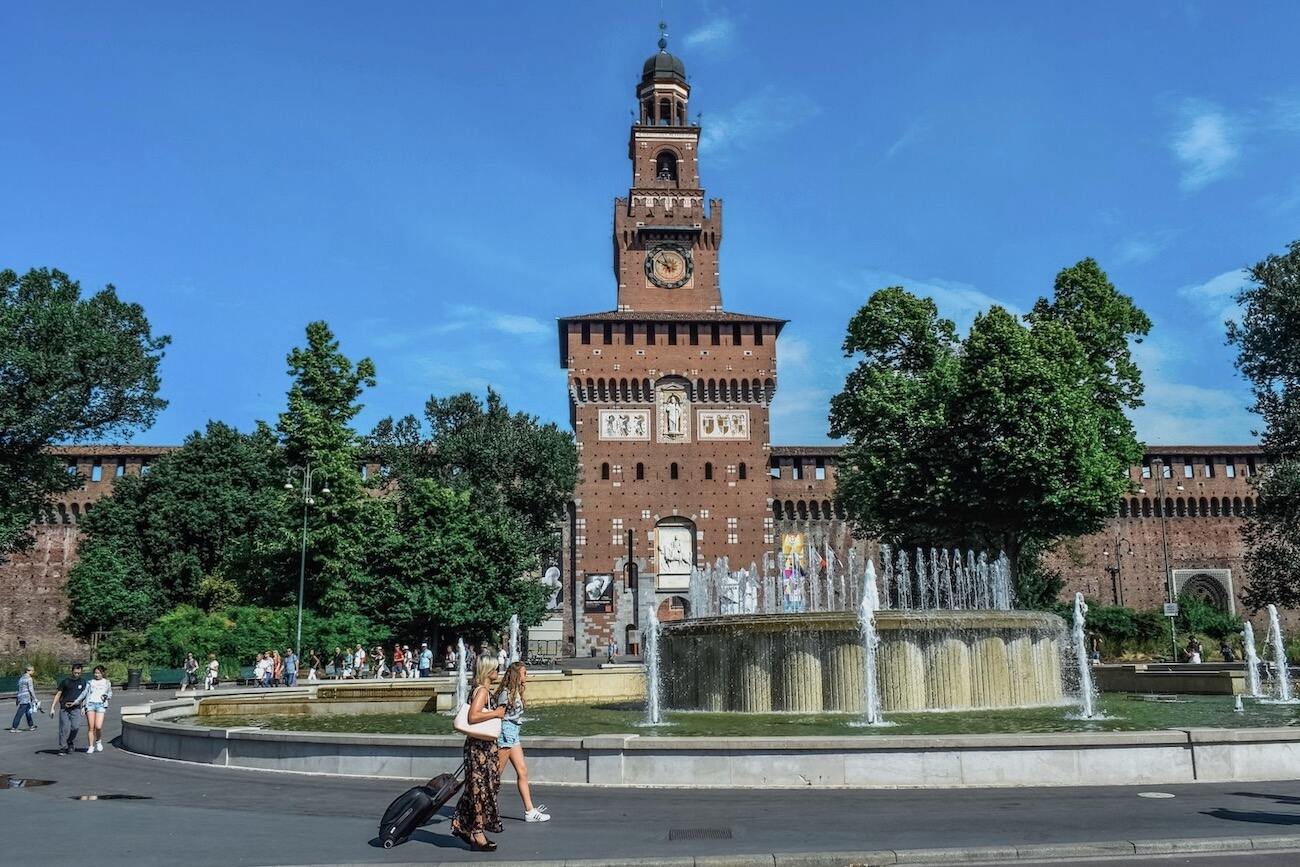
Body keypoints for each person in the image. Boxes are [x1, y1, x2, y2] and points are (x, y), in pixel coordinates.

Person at [450, 655, 506, 851]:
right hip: (479, 750)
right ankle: (477, 832)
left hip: (481, 748)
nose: (498, 672)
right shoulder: (482, 691)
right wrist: (496, 713)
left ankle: (465, 827)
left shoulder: (480, 690)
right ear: (488, 671)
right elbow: (473, 717)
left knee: (479, 789)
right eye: (496, 669)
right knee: (480, 790)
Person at [496, 662, 550, 823]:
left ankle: (530, 811)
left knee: (522, 771)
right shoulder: (506, 693)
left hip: (514, 733)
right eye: (524, 673)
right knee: (496, 774)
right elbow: (499, 714)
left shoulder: (516, 691)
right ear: (516, 675)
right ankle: (481, 808)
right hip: (506, 732)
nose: (526, 676)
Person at [50, 662, 88, 755]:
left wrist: (83, 707)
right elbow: (58, 694)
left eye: (79, 673)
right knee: (64, 728)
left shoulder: (83, 682)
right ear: (72, 671)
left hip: (76, 708)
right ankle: (62, 747)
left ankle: (70, 741)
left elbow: (84, 696)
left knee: (75, 727)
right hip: (65, 708)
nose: (77, 674)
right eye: (75, 672)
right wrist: (52, 708)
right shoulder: (66, 681)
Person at [83, 665, 112, 753]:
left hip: (101, 705)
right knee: (91, 727)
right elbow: (85, 694)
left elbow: (110, 692)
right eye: (95, 673)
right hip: (90, 704)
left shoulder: (107, 682)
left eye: (98, 673)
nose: (96, 675)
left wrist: (107, 696)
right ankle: (91, 746)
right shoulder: (90, 682)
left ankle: (98, 741)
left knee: (98, 726)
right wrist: (82, 706)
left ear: (102, 673)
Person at [8, 664, 37, 732]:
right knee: (20, 712)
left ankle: (31, 726)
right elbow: (31, 689)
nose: (33, 672)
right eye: (32, 670)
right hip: (26, 697)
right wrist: (35, 698)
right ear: (28, 671)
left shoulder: (21, 678)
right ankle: (14, 728)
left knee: (28, 712)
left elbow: (19, 689)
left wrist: (18, 698)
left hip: (21, 696)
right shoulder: (29, 678)